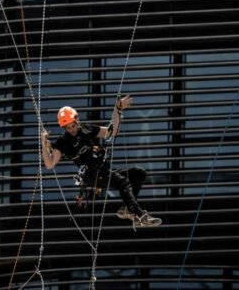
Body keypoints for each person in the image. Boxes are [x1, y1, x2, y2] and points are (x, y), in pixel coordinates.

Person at [40, 96, 161, 228]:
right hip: (92, 176)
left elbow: (112, 131)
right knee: (123, 182)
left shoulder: (87, 129)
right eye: (67, 128)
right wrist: (43, 142)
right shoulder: (62, 141)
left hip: (103, 169)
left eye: (73, 125)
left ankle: (126, 209)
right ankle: (140, 215)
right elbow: (49, 164)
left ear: (77, 119)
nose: (72, 129)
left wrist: (117, 109)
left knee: (139, 173)